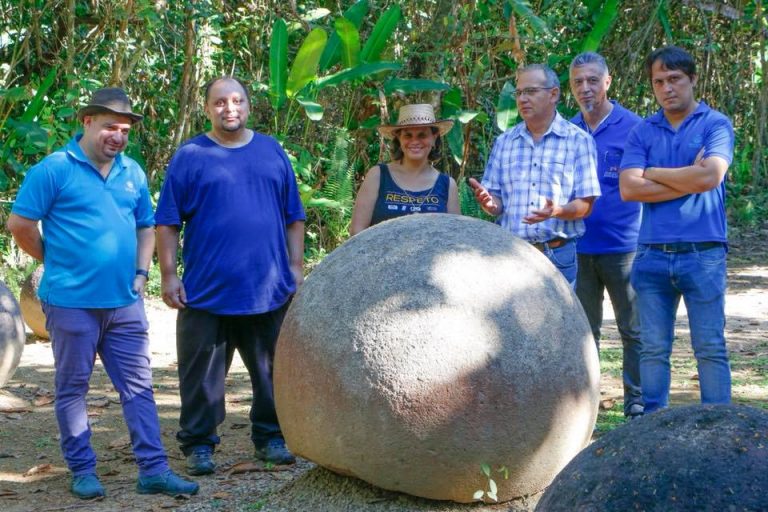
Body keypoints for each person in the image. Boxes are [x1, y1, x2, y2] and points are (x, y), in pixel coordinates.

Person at [6, 88, 198, 499]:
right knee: (73, 387)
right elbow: (20, 225)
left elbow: (146, 225)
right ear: (87, 122)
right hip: (71, 303)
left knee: (139, 387)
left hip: (124, 303)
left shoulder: (133, 172)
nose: (118, 136)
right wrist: (53, 259)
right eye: (110, 126)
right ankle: (82, 470)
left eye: (125, 129)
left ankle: (154, 469)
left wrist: (141, 274)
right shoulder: (54, 169)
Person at [155, 76, 306, 476]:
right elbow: (167, 222)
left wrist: (295, 266)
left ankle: (271, 437)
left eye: (237, 100)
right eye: (220, 102)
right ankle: (199, 445)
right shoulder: (191, 156)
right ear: (207, 108)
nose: (229, 108)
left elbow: (294, 216)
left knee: (273, 371)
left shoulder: (271, 151)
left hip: (267, 289)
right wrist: (169, 275)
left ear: (248, 105)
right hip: (206, 292)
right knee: (201, 377)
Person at [619, 46, 734, 413]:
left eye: (675, 79)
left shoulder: (715, 124)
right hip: (652, 254)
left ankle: (718, 425)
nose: (667, 88)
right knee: (653, 348)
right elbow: (628, 188)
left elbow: (712, 175)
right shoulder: (643, 130)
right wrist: (690, 176)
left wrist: (652, 172)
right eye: (659, 82)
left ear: (692, 79)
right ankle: (655, 426)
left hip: (704, 253)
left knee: (710, 347)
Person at [468, 64, 601, 286]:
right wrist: (490, 203)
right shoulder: (504, 143)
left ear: (553, 94)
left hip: (557, 255)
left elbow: (586, 205)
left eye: (530, 91)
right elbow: (497, 205)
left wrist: (557, 211)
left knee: (558, 321)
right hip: (511, 254)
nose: (522, 99)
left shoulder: (578, 141)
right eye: (519, 93)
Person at [569, 52, 644, 419]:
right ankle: (587, 408)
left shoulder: (634, 128)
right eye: (578, 81)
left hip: (625, 247)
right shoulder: (566, 131)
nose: (586, 88)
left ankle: (638, 402)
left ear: (608, 82)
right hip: (577, 247)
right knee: (584, 333)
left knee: (634, 330)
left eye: (592, 80)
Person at [350, 103, 460, 235]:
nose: (415, 141)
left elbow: (455, 236)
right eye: (408, 135)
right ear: (399, 138)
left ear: (434, 138)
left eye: (422, 135)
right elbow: (357, 232)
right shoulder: (378, 176)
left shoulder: (448, 185)